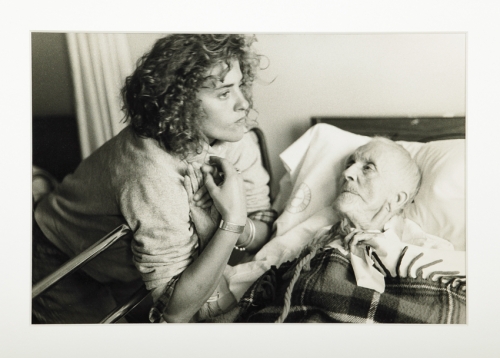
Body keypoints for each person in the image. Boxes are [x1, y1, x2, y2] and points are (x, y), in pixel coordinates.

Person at [32, 34, 276, 324]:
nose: (244, 104)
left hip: (126, 265)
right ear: (180, 104)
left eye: (240, 86)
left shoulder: (234, 136)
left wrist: (235, 225)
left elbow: (264, 220)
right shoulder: (150, 175)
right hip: (60, 258)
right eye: (224, 93)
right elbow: (175, 312)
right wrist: (231, 221)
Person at [215, 137, 466, 323]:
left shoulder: (419, 245)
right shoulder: (316, 233)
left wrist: (394, 253)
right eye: (350, 163)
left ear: (397, 198)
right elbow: (261, 276)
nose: (347, 173)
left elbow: (464, 289)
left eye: (367, 167)